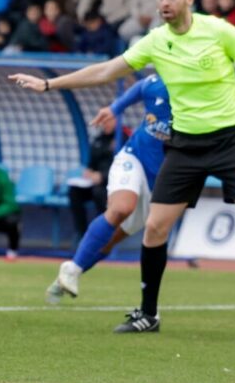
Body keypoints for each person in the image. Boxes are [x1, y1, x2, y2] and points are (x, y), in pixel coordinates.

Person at [8, 0, 235, 340]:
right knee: (153, 228)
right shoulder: (155, 40)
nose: (164, 3)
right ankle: (148, 314)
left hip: (229, 141)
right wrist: (48, 84)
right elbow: (107, 71)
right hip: (185, 146)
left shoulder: (218, 31)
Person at [47, 76, 171, 303]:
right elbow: (140, 87)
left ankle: (72, 270)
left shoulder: (200, 105)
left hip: (161, 182)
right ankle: (72, 269)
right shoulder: (158, 84)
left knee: (112, 239)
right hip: (134, 158)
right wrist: (114, 108)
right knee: (122, 208)